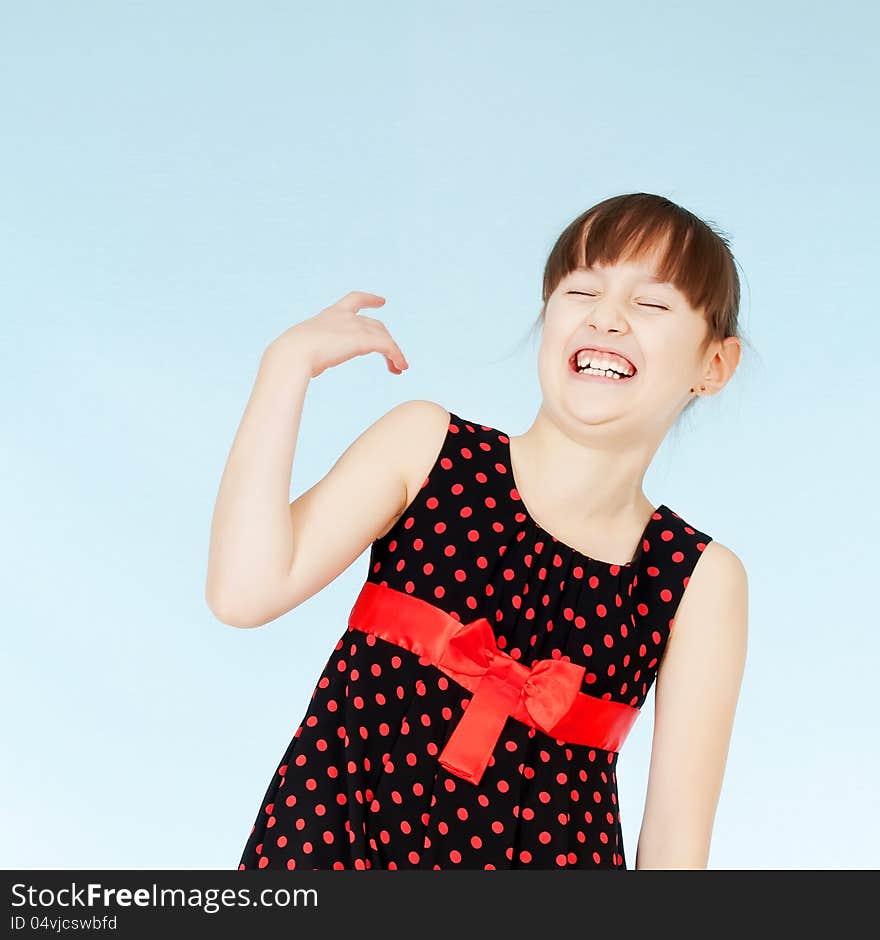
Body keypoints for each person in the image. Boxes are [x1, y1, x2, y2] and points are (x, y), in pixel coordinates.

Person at [206, 192, 748, 870]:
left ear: (714, 366)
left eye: (652, 303)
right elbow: (243, 591)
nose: (606, 317)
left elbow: (675, 848)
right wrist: (285, 365)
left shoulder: (697, 580)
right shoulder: (427, 448)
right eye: (581, 289)